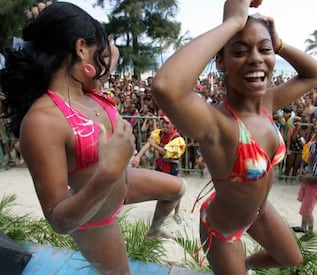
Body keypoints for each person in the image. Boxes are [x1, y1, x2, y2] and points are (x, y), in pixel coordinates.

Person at [0, 3, 185, 274]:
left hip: (123, 184)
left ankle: (153, 230)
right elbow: (59, 221)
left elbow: (115, 51)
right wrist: (108, 172)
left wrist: (54, 24)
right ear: (81, 48)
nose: (105, 57)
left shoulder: (88, 88)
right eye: (97, 47)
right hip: (95, 218)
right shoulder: (42, 121)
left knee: (177, 187)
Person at [151, 0, 317, 273]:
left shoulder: (267, 103)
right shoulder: (217, 123)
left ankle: (241, 268)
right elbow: (165, 86)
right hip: (222, 229)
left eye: (264, 49)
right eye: (240, 51)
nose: (256, 58)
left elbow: (314, 73)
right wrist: (231, 23)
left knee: (292, 258)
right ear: (221, 62)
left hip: (259, 212)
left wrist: (280, 45)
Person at [131, 115, 186, 224]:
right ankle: (161, 214)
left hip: (171, 167)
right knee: (161, 191)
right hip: (160, 165)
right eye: (164, 123)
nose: (164, 125)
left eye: (167, 123)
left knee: (176, 191)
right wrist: (138, 156)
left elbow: (166, 152)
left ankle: (177, 213)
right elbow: (148, 144)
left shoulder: (177, 139)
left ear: (173, 125)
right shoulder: (159, 133)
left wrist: (154, 146)